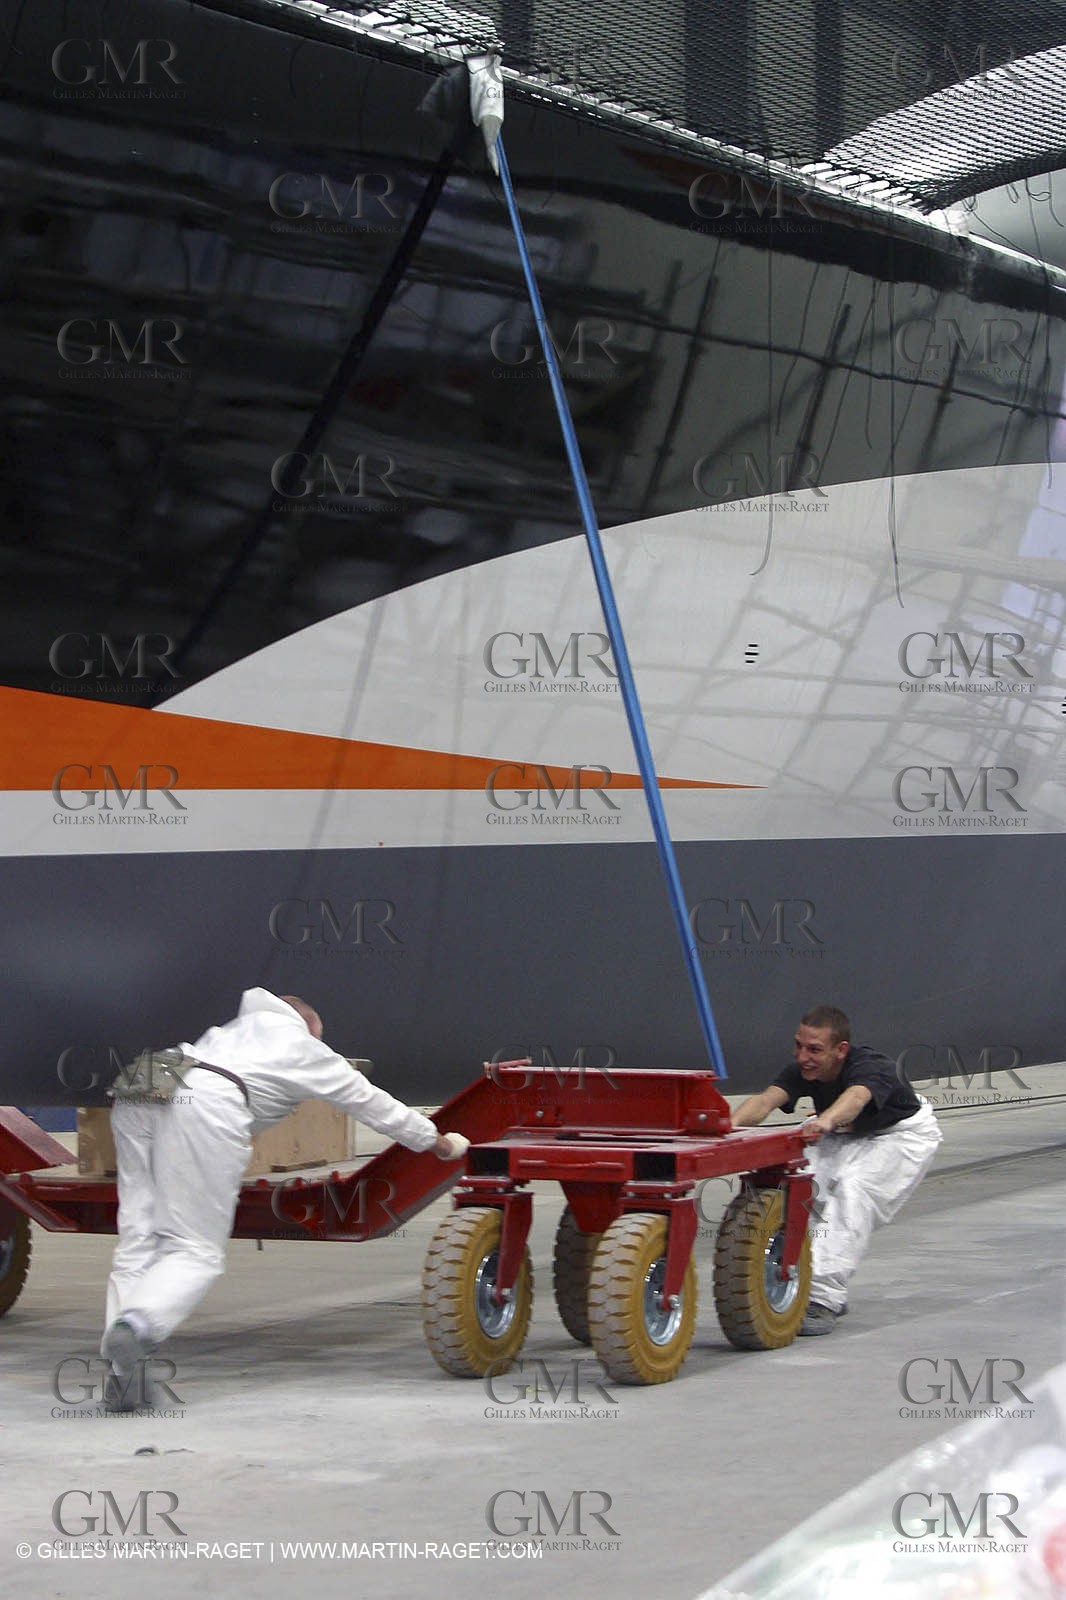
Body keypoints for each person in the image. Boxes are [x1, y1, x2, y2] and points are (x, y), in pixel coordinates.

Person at [101, 988, 467, 1406]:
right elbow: (375, 1105)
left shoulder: (233, 1030)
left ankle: (120, 1376)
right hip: (205, 1100)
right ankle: (139, 1323)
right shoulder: (302, 1046)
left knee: (137, 1237)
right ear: (309, 1024)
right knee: (193, 1249)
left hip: (148, 1077)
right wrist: (437, 1143)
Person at [731, 1004, 942, 1335]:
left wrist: (826, 1119)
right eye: (799, 1046)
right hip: (844, 1131)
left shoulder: (872, 1066)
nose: (803, 1057)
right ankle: (799, 1279)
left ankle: (823, 1298)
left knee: (852, 1191)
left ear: (841, 1050)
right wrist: (725, 1128)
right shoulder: (802, 1069)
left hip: (901, 1136)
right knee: (799, 1187)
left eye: (814, 1049)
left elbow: (857, 1098)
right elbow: (765, 1101)